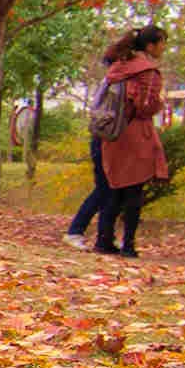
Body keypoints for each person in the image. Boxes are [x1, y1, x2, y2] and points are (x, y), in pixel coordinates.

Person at [94, 25, 169, 258]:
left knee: (114, 188)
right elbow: (145, 107)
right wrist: (160, 104)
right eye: (162, 42)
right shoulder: (148, 72)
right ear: (150, 45)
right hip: (135, 133)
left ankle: (104, 239)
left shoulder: (117, 67)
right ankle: (128, 244)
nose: (164, 47)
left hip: (111, 134)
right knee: (134, 191)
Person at [62, 51, 116, 248]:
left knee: (108, 190)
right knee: (104, 189)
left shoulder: (111, 83)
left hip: (104, 140)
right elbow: (97, 111)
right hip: (102, 140)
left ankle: (104, 237)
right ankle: (76, 230)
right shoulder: (111, 84)